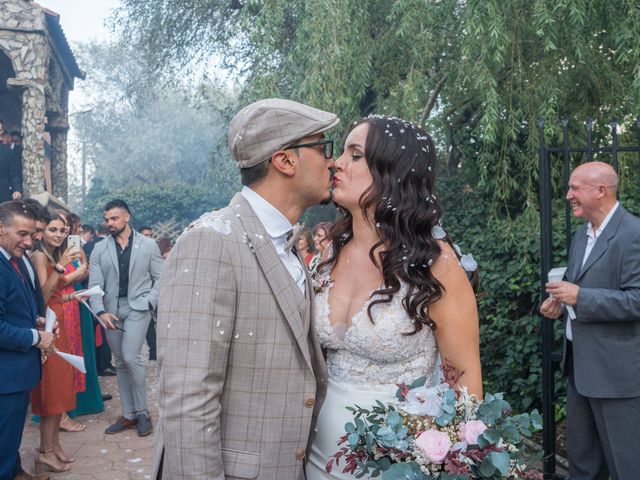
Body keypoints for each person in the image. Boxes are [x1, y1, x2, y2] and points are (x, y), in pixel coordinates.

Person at [153, 98, 338, 480]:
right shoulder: (211, 240)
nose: (331, 162)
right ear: (285, 161)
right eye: (322, 149)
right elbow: (189, 396)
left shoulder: (285, 242)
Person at [305, 116, 482, 479]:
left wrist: (449, 463)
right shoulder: (330, 253)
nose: (336, 163)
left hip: (395, 461)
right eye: (342, 152)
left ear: (394, 173)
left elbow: (466, 383)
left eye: (355, 155)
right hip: (317, 453)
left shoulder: (435, 265)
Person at [540, 161, 640, 480]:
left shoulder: (634, 234)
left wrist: (581, 296)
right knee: (583, 466)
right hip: (580, 368)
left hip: (618, 376)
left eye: (574, 188)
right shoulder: (582, 235)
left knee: (628, 466)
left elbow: (636, 299)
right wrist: (557, 303)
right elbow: (576, 287)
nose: (568, 195)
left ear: (601, 191)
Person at [88, 199, 163, 437]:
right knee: (119, 362)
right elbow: (95, 284)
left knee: (131, 357)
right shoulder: (100, 248)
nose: (109, 223)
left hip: (138, 308)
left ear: (127, 217)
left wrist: (150, 301)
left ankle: (143, 412)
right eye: (107, 219)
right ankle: (129, 414)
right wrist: (100, 311)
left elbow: (160, 277)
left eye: (114, 218)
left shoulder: (149, 245)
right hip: (110, 310)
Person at [0, 201, 55, 480]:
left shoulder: (14, 259)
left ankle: (14, 470)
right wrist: (36, 337)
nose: (28, 241)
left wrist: (34, 321)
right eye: (22, 234)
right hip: (5, 375)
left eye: (31, 234)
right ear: (1, 227)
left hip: (15, 372)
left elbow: (12, 307)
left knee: (9, 437)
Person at [31, 210, 85, 474]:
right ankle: (44, 452)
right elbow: (42, 294)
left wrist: (73, 298)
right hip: (47, 329)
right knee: (50, 393)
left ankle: (54, 446)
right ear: (41, 232)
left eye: (63, 231)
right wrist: (62, 265)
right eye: (53, 230)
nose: (59, 235)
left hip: (59, 325)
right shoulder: (40, 255)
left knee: (61, 392)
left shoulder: (51, 255)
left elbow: (55, 296)